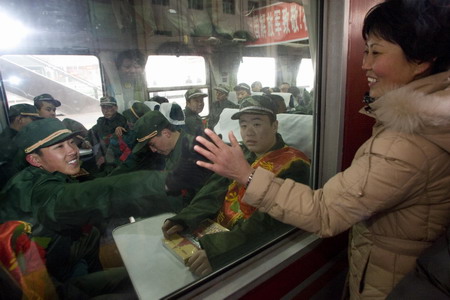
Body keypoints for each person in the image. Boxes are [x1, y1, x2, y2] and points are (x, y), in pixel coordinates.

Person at [192, 0, 450, 298]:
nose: (365, 63)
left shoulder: (406, 142)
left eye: (376, 52)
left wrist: (244, 175)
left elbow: (325, 212)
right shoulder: (424, 124)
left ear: (421, 60)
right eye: (365, 50)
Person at [0, 118, 187, 297]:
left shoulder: (38, 176)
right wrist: (167, 183)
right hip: (42, 288)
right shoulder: (37, 193)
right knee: (147, 283)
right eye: (59, 147)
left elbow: (95, 186)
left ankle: (88, 279)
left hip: (52, 269)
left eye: (71, 143)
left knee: (129, 268)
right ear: (35, 160)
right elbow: (95, 195)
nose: (72, 150)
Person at [162, 95, 311, 276]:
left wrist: (218, 251)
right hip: (214, 233)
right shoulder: (240, 154)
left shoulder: (294, 164)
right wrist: (185, 218)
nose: (248, 132)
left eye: (256, 124)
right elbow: (212, 191)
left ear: (274, 126)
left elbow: (267, 224)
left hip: (246, 250)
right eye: (243, 125)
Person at [0, 104, 41, 188]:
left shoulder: (7, 138)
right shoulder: (15, 144)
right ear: (20, 119)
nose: (36, 123)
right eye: (33, 120)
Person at [87, 96, 128, 169]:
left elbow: (124, 146)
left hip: (117, 160)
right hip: (102, 156)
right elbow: (91, 132)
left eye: (109, 107)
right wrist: (86, 141)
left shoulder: (122, 122)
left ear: (116, 108)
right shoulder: (101, 121)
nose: (106, 111)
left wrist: (106, 158)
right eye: (103, 108)